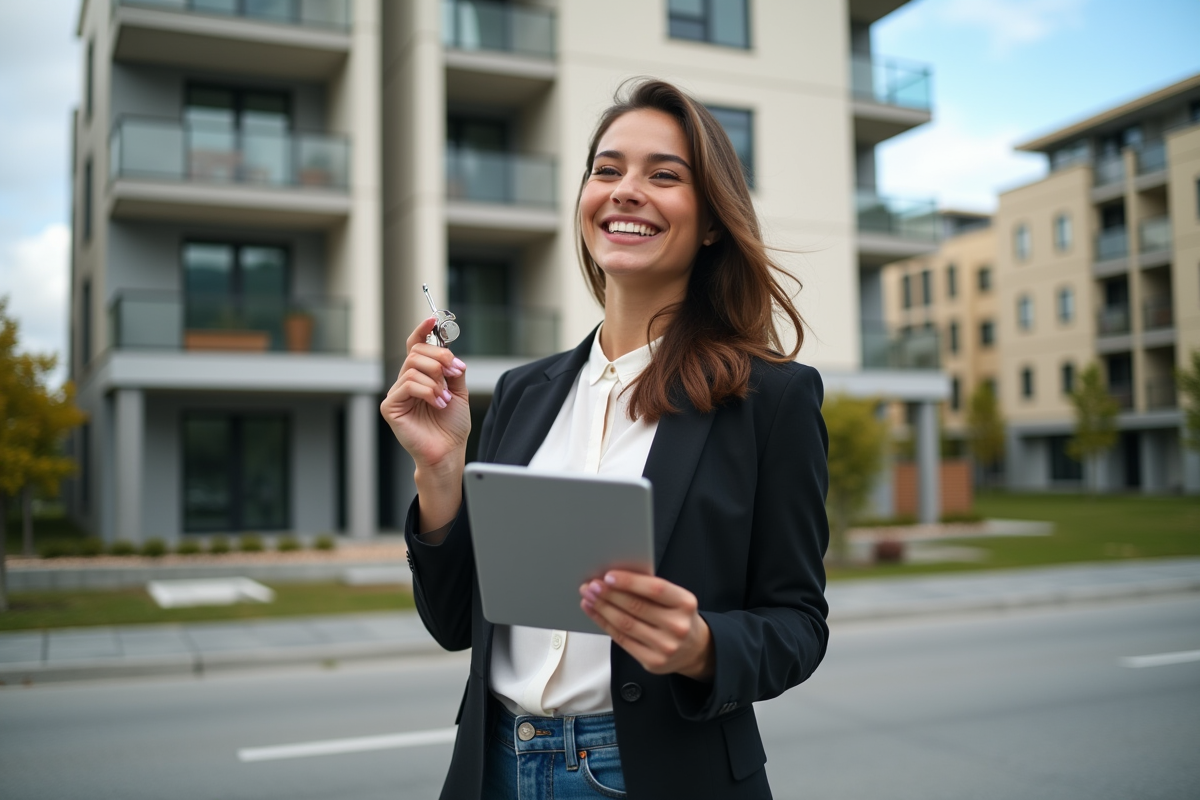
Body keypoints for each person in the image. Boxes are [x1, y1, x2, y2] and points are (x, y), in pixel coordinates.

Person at [381, 78, 829, 800]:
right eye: (607, 170)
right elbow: (456, 622)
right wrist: (439, 471)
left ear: (712, 223)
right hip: (496, 767)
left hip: (656, 776)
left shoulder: (771, 399)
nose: (625, 191)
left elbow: (798, 624)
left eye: (665, 175)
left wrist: (702, 646)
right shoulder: (523, 392)